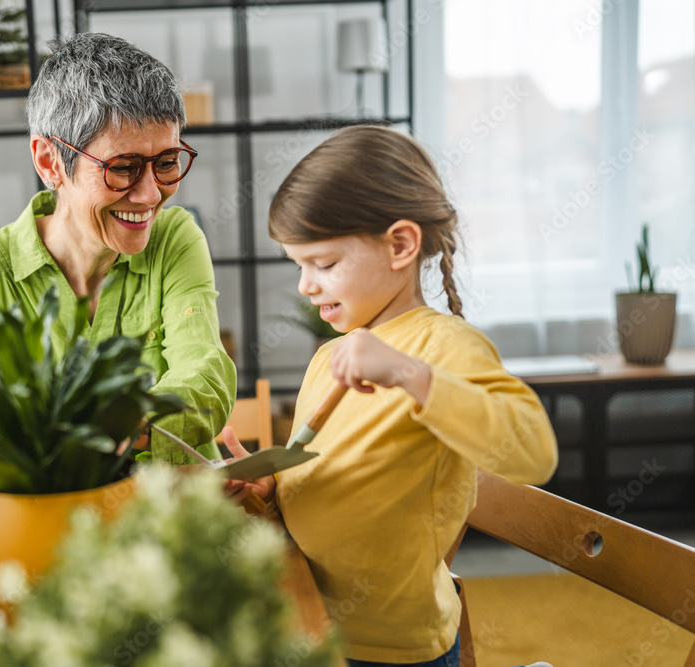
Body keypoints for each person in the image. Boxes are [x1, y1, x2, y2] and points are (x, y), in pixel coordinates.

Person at [221, 125, 558, 667]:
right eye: (298, 265)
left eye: (324, 264)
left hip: (397, 650)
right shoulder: (326, 359)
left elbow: (533, 451)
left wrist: (406, 373)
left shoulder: (441, 346)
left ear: (400, 244)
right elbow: (327, 484)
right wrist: (268, 490)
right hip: (314, 621)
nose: (306, 285)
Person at [0, 32, 236, 464]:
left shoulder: (175, 236)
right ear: (49, 162)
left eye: (167, 162)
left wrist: (106, 428)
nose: (151, 195)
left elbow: (206, 376)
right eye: (123, 168)